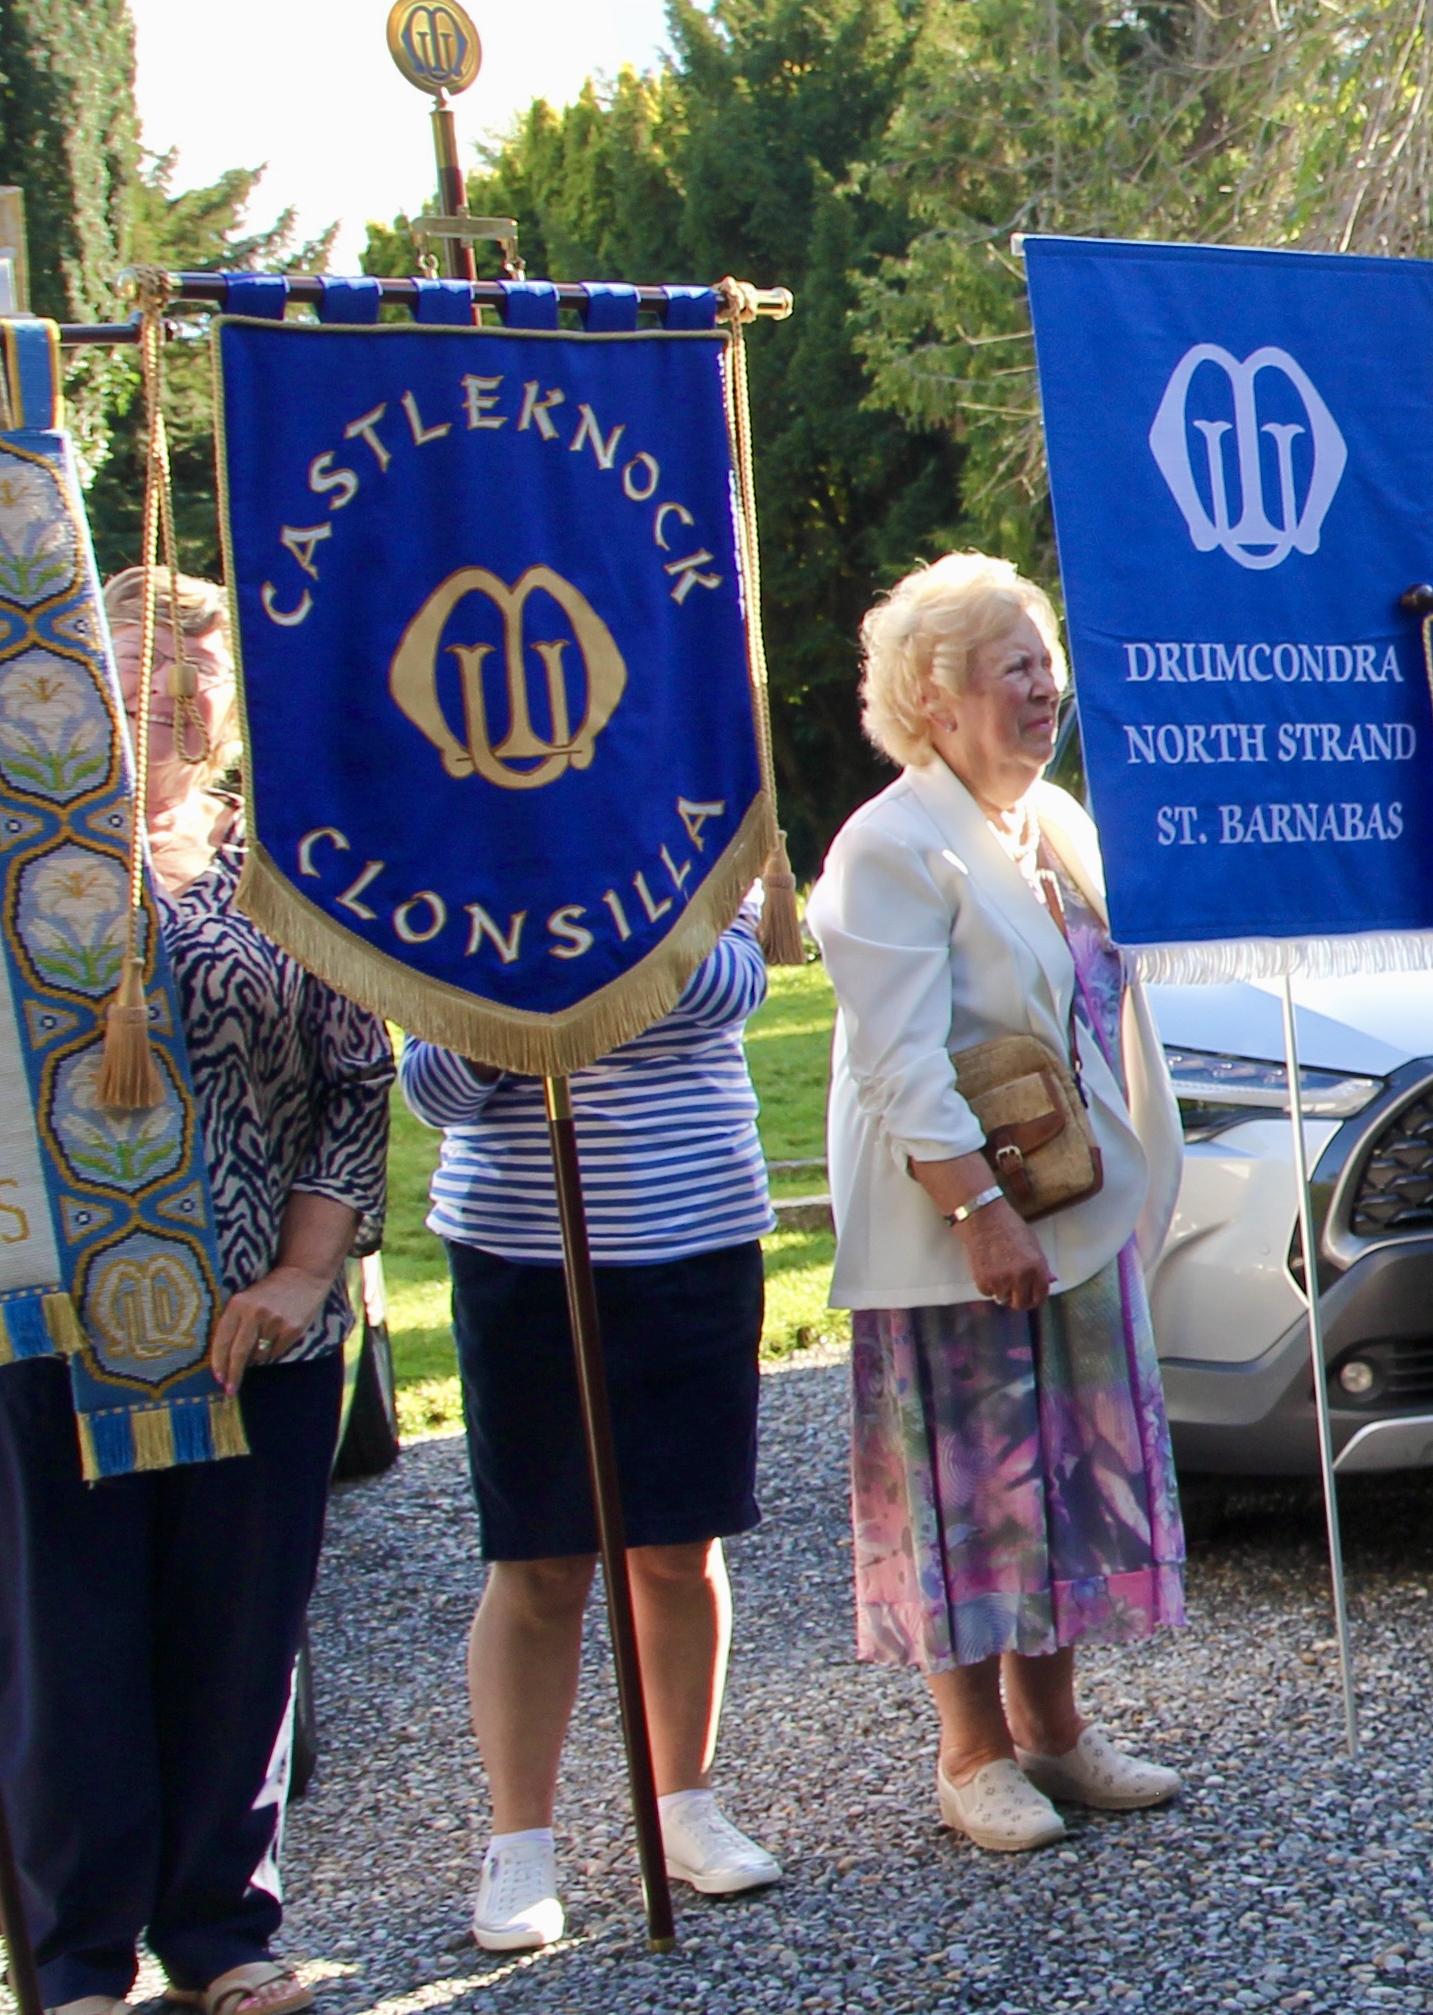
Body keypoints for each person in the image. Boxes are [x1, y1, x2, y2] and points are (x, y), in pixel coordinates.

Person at [0, 567, 387, 2015]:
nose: (175, 689)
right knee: (63, 1645)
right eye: (138, 656)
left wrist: (308, 1274)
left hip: (254, 1326)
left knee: (237, 1635)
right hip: (43, 1333)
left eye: (203, 665)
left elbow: (353, 1084)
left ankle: (220, 1935)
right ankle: (74, 1962)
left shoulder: (290, 859)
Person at [813, 554, 1188, 1854]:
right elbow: (897, 1054)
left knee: (1069, 1478)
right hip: (964, 1236)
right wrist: (980, 1210)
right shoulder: (890, 845)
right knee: (969, 1484)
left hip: (1078, 1214)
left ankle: (1059, 1735)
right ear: (936, 694)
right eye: (1016, 666)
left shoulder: (1057, 824)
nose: (1047, 689)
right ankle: (971, 1757)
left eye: (1048, 662)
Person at [401, 912, 787, 1949]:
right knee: (542, 1558)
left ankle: (684, 1806)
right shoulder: (455, 873)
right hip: (523, 1247)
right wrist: (529, 1002)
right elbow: (434, 1086)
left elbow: (731, 987)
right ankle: (519, 1842)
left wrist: (572, 975)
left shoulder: (679, 833)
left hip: (696, 1226)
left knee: (678, 1545)